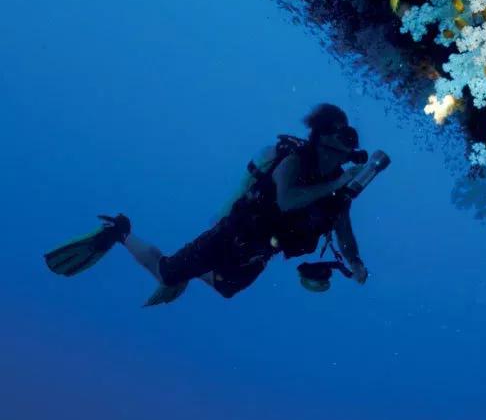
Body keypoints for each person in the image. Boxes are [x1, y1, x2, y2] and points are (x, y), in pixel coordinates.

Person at [44, 104, 390, 305]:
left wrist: (355, 262)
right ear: (323, 137)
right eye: (344, 135)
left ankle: (192, 269)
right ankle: (119, 232)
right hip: (231, 235)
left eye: (352, 137)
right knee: (168, 272)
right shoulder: (295, 161)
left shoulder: (338, 185)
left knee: (226, 290)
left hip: (261, 252)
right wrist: (336, 183)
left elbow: (343, 228)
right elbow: (286, 201)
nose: (351, 144)